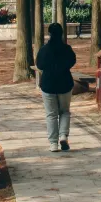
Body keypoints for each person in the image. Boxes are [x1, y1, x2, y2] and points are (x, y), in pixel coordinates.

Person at [35, 22, 77, 152]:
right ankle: (63, 135)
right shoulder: (66, 49)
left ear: (49, 34)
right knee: (65, 111)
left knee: (51, 114)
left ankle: (53, 143)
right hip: (64, 83)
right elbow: (72, 61)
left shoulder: (44, 49)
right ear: (62, 33)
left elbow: (39, 65)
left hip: (48, 84)